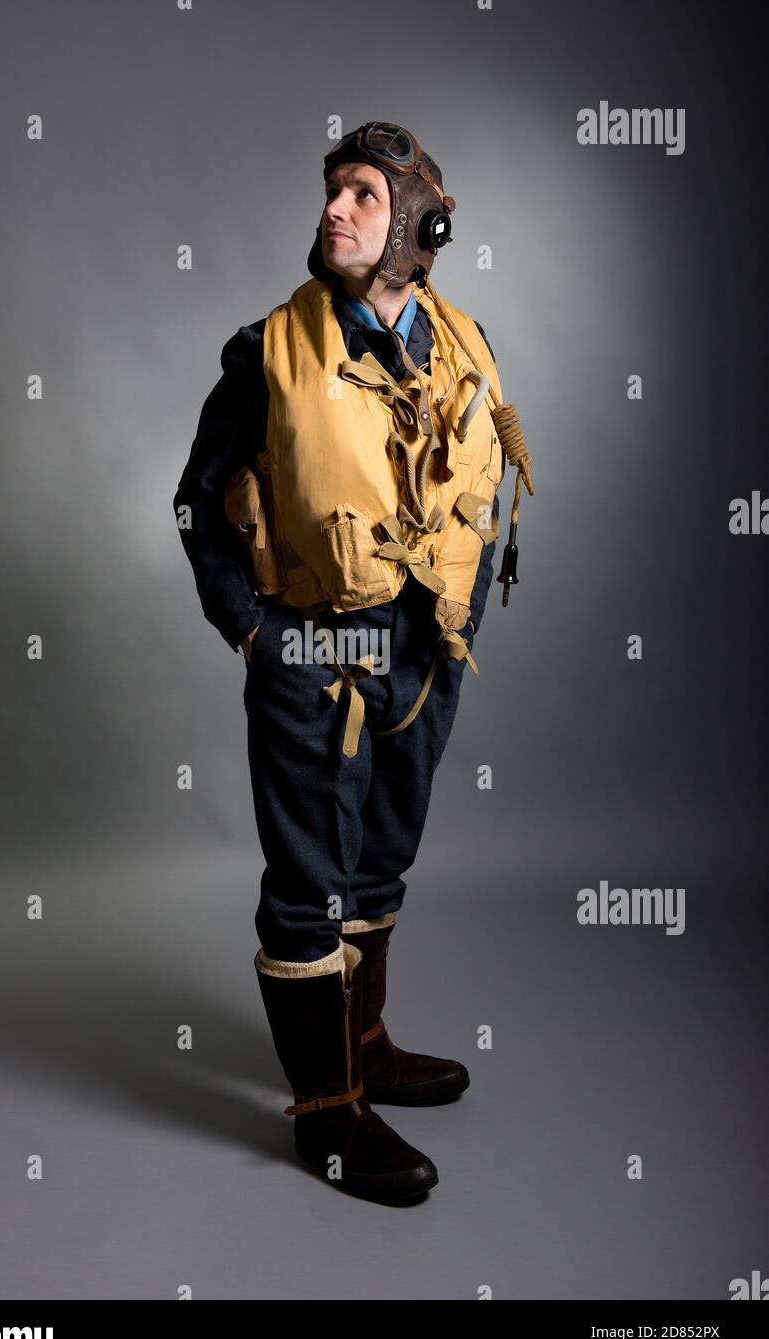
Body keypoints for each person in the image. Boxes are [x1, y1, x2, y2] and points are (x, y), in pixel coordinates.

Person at [173, 121, 530, 1205]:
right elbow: (198, 502)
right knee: (309, 884)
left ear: (422, 224)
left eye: (364, 194)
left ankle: (362, 1045)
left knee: (381, 861)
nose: (335, 209)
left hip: (427, 649)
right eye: (333, 191)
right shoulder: (266, 350)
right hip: (312, 649)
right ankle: (326, 1112)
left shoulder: (463, 340)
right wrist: (250, 628)